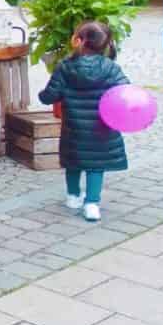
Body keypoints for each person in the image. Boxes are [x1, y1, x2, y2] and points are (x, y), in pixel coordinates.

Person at [38, 21, 129, 223]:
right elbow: (125, 92)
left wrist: (42, 95)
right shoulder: (111, 68)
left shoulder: (65, 67)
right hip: (102, 128)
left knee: (73, 161)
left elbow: (50, 96)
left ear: (77, 40)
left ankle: (72, 197)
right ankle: (92, 204)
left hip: (74, 128)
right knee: (96, 166)